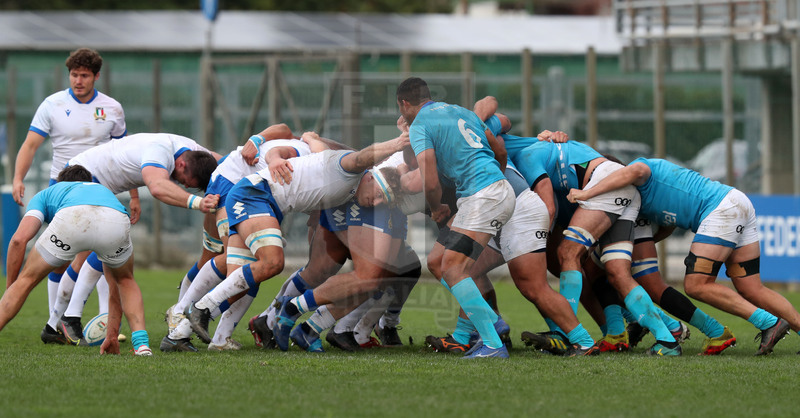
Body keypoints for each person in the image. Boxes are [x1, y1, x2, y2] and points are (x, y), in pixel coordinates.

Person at [185, 131, 410, 346]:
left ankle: (188, 332)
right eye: (379, 195)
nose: (377, 203)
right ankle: (202, 309)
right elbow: (362, 156)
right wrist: (397, 143)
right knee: (272, 263)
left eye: (384, 201)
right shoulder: (352, 168)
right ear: (371, 177)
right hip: (256, 195)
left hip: (262, 200)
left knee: (247, 277)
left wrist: (312, 139)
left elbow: (319, 150)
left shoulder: (343, 177)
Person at [567, 157, 797, 355]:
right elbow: (667, 226)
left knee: (697, 285)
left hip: (720, 210)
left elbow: (636, 170)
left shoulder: (637, 171)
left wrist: (587, 192)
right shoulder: (642, 201)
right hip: (736, 202)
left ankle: (768, 322)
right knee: (751, 288)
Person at [51, 132, 221, 343]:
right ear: (183, 165)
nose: (185, 186)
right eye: (187, 182)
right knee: (88, 252)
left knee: (101, 253)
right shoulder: (161, 151)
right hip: (81, 180)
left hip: (94, 182)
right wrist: (198, 203)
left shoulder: (192, 150)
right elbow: (158, 187)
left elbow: (223, 163)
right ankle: (66, 318)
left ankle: (58, 322)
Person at [11, 48, 131, 340]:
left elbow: (123, 155)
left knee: (101, 252)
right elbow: (30, 145)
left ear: (96, 76)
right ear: (69, 75)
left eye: (85, 75)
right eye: (74, 75)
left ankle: (96, 321)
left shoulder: (111, 108)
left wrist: (135, 195)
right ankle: (58, 322)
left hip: (101, 188)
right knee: (60, 258)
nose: (79, 80)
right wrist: (17, 178)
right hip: (61, 188)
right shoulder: (52, 104)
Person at [1, 165, 151, 356]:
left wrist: (11, 290)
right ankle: (142, 345)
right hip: (114, 219)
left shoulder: (50, 192)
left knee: (25, 281)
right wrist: (111, 336)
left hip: (72, 217)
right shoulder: (101, 190)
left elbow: (18, 240)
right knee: (125, 281)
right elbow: (115, 287)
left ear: (61, 182)